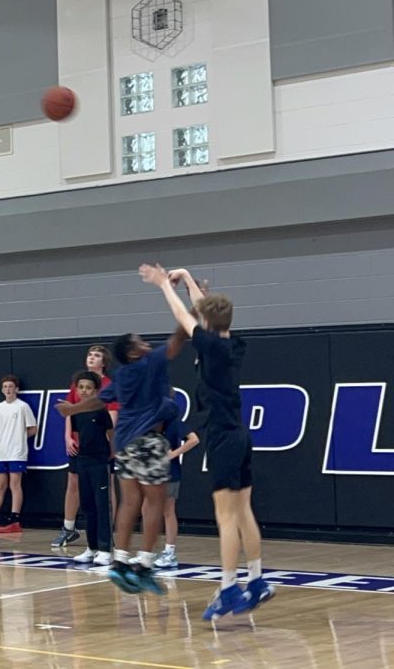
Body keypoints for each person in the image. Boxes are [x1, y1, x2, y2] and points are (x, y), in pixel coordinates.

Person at [143, 264, 275, 619]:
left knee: (226, 518)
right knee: (244, 511)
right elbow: (204, 313)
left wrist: (163, 285)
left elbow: (184, 316)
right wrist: (186, 278)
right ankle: (257, 580)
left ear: (207, 324)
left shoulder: (209, 345)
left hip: (222, 436)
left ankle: (230, 588)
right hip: (240, 435)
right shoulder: (232, 342)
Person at [57, 331, 184, 596]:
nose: (145, 342)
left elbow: (97, 401)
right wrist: (196, 305)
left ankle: (120, 561)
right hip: (148, 440)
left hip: (124, 443)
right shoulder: (148, 363)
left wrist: (71, 409)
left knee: (128, 502)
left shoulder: (122, 376)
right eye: (140, 341)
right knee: (155, 502)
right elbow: (179, 337)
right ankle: (145, 564)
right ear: (133, 352)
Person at [53, 345, 118, 548]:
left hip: (99, 448)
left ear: (104, 362)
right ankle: (68, 528)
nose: (91, 357)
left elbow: (112, 417)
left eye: (97, 355)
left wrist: (109, 445)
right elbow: (70, 411)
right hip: (79, 445)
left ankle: (108, 532)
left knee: (106, 490)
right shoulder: (78, 384)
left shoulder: (109, 386)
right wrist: (67, 437)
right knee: (74, 483)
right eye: (90, 354)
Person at [67, 372, 115, 566]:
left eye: (88, 387)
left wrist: (109, 454)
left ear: (95, 390)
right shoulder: (76, 412)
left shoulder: (101, 410)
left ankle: (106, 549)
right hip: (83, 461)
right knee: (87, 505)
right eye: (81, 387)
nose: (84, 391)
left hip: (99, 461)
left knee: (101, 505)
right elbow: (79, 435)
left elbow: (110, 433)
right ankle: (92, 547)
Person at [0, 375, 37, 533]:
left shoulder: (22, 406)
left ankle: (15, 517)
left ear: (16, 389)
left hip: (17, 452)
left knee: (14, 484)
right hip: (2, 452)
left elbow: (33, 428)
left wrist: (20, 438)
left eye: (11, 386)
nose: (8, 389)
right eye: (5, 387)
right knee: (0, 484)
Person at [156, 410, 199, 568]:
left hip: (169, 473)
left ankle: (170, 552)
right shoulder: (148, 421)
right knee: (147, 509)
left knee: (168, 510)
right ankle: (148, 551)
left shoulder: (174, 423)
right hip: (150, 472)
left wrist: (174, 453)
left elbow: (194, 439)